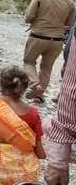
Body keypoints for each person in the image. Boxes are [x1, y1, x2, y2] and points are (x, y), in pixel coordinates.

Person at [23, 0, 75, 103]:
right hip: (57, 40)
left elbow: (28, 17)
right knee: (47, 66)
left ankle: (35, 85)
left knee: (29, 62)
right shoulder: (69, 2)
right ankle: (39, 95)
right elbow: (69, 23)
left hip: (38, 36)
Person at [43, 28, 76, 185]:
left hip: (43, 36)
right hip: (54, 40)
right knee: (46, 67)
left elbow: (72, 85)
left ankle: (38, 89)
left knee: (39, 65)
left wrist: (58, 162)